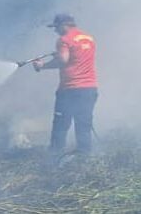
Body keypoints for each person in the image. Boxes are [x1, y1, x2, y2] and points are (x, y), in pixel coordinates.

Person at [34, 13, 98, 154]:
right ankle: (84, 157)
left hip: (70, 90)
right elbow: (77, 57)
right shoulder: (89, 39)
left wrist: (42, 65)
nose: (55, 30)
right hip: (89, 89)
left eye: (56, 27)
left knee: (61, 125)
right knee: (83, 125)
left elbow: (63, 60)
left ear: (64, 25)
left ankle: (54, 157)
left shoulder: (64, 40)